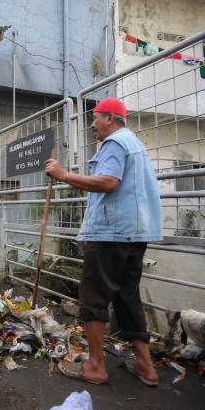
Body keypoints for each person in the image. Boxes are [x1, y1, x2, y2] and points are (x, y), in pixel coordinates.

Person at [44, 97, 162, 387]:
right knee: (126, 298)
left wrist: (63, 175)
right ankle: (147, 367)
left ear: (110, 117)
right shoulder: (135, 144)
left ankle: (96, 366)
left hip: (111, 233)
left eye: (95, 118)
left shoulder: (115, 143)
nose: (93, 124)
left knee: (94, 297)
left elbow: (109, 182)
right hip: (135, 233)